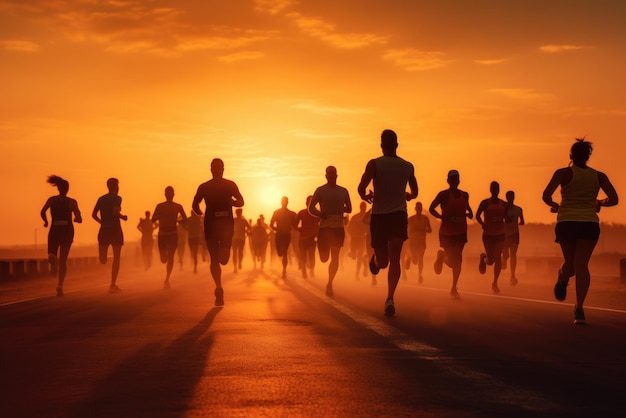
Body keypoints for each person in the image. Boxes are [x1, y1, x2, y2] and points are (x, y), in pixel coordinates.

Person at [542, 138, 618, 324]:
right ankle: (579, 308)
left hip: (567, 222)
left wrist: (554, 205)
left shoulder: (563, 173)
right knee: (579, 265)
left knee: (573, 264)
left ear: (571, 156)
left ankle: (574, 299)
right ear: (588, 157)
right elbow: (614, 199)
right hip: (589, 223)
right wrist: (599, 202)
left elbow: (546, 195)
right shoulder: (599, 176)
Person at [358, 130, 418, 316]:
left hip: (396, 215)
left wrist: (365, 195)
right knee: (384, 261)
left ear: (382, 145)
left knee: (395, 255)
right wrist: (409, 196)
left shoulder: (401, 165)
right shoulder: (381, 164)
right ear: (396, 145)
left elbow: (361, 187)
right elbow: (415, 193)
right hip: (380, 215)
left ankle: (390, 298)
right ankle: (376, 260)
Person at [192, 158, 244, 306]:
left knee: (224, 259)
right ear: (210, 169)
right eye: (214, 167)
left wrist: (233, 203)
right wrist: (199, 212)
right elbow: (195, 203)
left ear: (223, 169)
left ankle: (219, 284)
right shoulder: (204, 187)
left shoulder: (230, 185)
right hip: (210, 224)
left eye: (218, 167)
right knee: (214, 258)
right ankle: (219, 288)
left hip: (227, 225)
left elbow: (241, 201)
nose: (216, 169)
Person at [429, 169, 473, 299]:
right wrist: (441, 217)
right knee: (453, 261)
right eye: (452, 178)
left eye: (457, 178)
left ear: (459, 180)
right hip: (446, 233)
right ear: (448, 181)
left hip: (461, 231)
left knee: (458, 260)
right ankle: (442, 257)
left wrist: (470, 214)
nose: (455, 181)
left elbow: (469, 209)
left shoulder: (465, 195)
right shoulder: (443, 195)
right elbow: (432, 208)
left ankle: (454, 288)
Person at [309, 166, 352, 297]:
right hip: (324, 228)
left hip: (338, 227)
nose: (332, 175)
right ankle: (323, 252)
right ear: (326, 176)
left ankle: (329, 283)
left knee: (335, 257)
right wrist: (321, 214)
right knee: (324, 258)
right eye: (330, 173)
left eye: (334, 173)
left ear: (337, 175)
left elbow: (349, 208)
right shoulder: (320, 190)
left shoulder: (343, 191)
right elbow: (311, 208)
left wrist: (340, 209)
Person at [40, 175, 82, 296]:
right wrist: (77, 219)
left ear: (58, 188)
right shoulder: (72, 202)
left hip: (55, 228)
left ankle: (52, 258)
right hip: (67, 229)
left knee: (52, 252)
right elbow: (79, 218)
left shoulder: (52, 200)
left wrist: (45, 221)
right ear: (67, 189)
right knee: (64, 260)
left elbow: (42, 211)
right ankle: (60, 286)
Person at [92, 178, 127, 293]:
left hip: (104, 230)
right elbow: (115, 212)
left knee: (103, 260)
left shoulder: (101, 199)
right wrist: (123, 217)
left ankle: (104, 259)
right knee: (116, 258)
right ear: (115, 187)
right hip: (115, 230)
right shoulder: (117, 198)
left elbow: (93, 214)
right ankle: (112, 284)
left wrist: (101, 222)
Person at [151, 186, 187, 289]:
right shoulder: (160, 206)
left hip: (172, 233)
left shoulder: (178, 206)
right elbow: (153, 219)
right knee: (163, 259)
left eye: (171, 193)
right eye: (167, 193)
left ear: (173, 194)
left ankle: (167, 279)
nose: (169, 195)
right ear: (165, 194)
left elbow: (185, 219)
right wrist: (160, 216)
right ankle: (166, 275)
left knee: (170, 257)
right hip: (162, 234)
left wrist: (177, 221)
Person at [476, 181, 507, 294]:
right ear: (490, 190)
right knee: (491, 261)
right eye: (493, 188)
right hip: (488, 235)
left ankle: (495, 283)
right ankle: (483, 258)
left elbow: (508, 215)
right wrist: (482, 224)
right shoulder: (485, 203)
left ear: (499, 190)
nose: (495, 190)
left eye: (497, 188)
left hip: (500, 234)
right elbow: (477, 215)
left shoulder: (503, 204)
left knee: (498, 257)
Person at [403, 201, 432, 283]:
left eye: (420, 208)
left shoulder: (425, 219)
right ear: (415, 209)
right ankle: (410, 258)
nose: (419, 209)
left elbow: (430, 230)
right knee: (415, 260)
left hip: (422, 241)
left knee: (421, 259)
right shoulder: (411, 219)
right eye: (418, 208)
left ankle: (420, 276)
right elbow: (405, 228)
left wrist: (423, 230)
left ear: (421, 209)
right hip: (413, 242)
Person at [270, 196, 297, 279]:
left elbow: (294, 225)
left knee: (285, 252)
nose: (285, 202)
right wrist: (276, 229)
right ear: (281, 202)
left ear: (288, 202)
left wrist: (298, 229)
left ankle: (284, 271)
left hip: (287, 235)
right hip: (279, 234)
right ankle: (284, 268)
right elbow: (271, 224)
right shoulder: (277, 212)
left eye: (286, 201)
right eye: (284, 201)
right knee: (279, 253)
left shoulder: (291, 213)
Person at [294, 196, 320, 279]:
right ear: (306, 203)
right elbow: (294, 224)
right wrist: (299, 229)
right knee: (304, 256)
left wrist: (316, 232)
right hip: (304, 238)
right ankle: (305, 272)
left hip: (311, 237)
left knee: (310, 255)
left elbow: (321, 224)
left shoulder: (317, 214)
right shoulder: (302, 213)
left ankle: (310, 271)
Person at [502, 190, 525, 285]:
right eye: (509, 197)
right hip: (505, 234)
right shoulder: (503, 209)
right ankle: (504, 259)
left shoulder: (518, 209)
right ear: (506, 198)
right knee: (506, 255)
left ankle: (512, 275)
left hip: (515, 234)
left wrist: (517, 222)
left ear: (514, 197)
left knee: (513, 254)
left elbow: (522, 221)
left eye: (512, 197)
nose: (510, 199)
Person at [347, 201, 369, 279]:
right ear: (360, 207)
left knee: (359, 256)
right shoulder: (355, 217)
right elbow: (349, 228)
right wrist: (352, 234)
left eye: (364, 207)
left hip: (361, 239)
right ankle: (355, 256)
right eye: (362, 207)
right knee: (354, 256)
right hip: (354, 238)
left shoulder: (367, 217)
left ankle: (357, 273)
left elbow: (369, 228)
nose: (363, 208)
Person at [232, 208, 250, 273]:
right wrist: (247, 232)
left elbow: (249, 229)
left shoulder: (234, 220)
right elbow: (249, 228)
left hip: (236, 238)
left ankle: (237, 266)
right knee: (239, 252)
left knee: (236, 253)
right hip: (239, 238)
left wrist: (247, 231)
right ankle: (237, 265)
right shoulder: (243, 221)